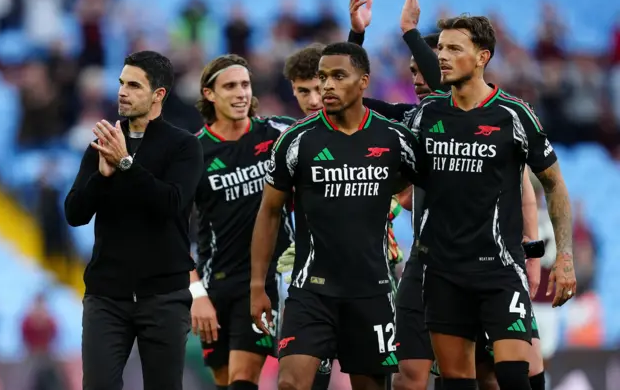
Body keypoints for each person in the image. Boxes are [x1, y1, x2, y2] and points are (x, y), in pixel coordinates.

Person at [352, 0, 549, 390]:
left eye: (429, 64)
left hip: (494, 262)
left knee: (509, 371)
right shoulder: (416, 119)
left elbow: (526, 192)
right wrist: (358, 35)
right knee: (423, 373)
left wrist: (532, 253)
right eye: (413, 71)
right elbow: (350, 98)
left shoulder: (491, 117)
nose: (421, 77)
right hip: (431, 264)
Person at [410, 14, 576, 390]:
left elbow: (555, 186)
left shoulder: (514, 115)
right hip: (442, 272)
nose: (442, 56)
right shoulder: (425, 115)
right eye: (440, 48)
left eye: (454, 48)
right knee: (456, 382)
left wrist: (563, 257)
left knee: (514, 377)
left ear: (483, 56)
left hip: (499, 271)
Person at [251, 42, 422, 390]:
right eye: (323, 77)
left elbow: (418, 188)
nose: (327, 86)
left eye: (338, 76)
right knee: (290, 384)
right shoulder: (297, 141)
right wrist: (257, 285)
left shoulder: (395, 139)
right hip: (310, 291)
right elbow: (269, 212)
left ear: (363, 82)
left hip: (371, 291)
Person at [64, 50, 204, 390]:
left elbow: (171, 204)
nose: (122, 92)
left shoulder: (184, 146)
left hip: (164, 298)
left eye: (134, 85)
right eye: (121, 83)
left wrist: (126, 165)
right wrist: (103, 176)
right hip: (106, 296)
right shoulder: (103, 144)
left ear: (158, 95)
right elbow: (74, 213)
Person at [192, 54, 296, 390]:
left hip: (265, 280)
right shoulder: (193, 153)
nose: (241, 93)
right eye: (230, 86)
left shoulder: (277, 136)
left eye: (246, 85)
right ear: (209, 94)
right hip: (215, 282)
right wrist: (197, 295)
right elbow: (170, 231)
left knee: (242, 380)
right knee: (224, 381)